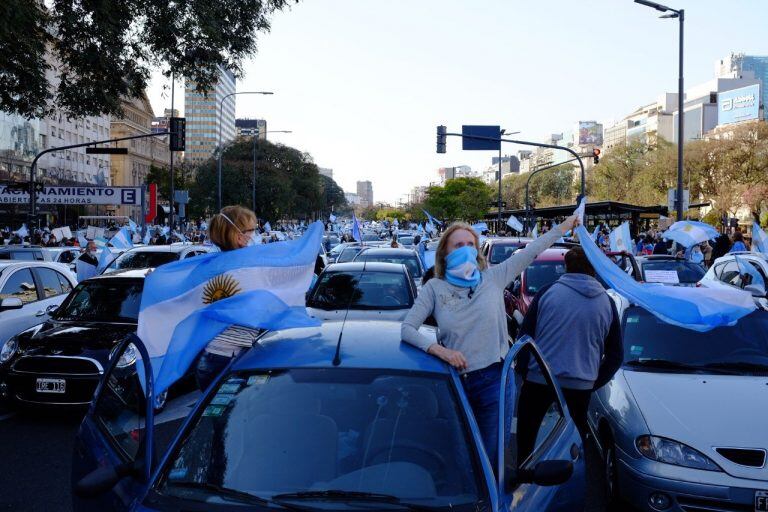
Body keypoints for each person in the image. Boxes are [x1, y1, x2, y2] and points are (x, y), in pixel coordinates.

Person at [401, 214, 579, 465]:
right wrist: (440, 351)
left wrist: (565, 225)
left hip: (495, 380)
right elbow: (407, 329)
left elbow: (535, 248)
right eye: (458, 245)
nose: (465, 250)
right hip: (454, 381)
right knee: (460, 455)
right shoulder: (434, 288)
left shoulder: (494, 277)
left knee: (490, 457)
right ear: (444, 253)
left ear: (477, 251)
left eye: (470, 245)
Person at [517, 246, 623, 460]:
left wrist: (523, 371)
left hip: (539, 381)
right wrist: (592, 381)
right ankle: (568, 487)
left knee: (528, 438)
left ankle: (524, 481)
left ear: (566, 267)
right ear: (594, 269)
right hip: (580, 387)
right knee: (571, 445)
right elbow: (615, 355)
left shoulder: (547, 293)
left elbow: (524, 339)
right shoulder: (607, 302)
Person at [195, 205, 260, 390]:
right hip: (230, 361)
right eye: (252, 230)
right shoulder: (246, 271)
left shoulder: (210, 266)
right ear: (240, 237)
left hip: (209, 359)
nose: (254, 235)